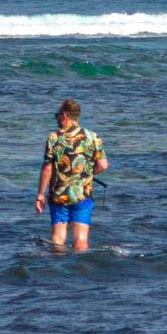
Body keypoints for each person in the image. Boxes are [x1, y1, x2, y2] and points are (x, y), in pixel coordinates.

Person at [33, 98, 109, 251]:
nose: (56, 119)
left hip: (59, 194)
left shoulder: (54, 138)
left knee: (58, 238)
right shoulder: (93, 137)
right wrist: (86, 173)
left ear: (64, 116)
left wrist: (40, 194)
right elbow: (103, 165)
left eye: (57, 115)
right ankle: (80, 270)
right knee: (81, 239)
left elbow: (47, 168)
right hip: (83, 194)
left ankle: (57, 270)